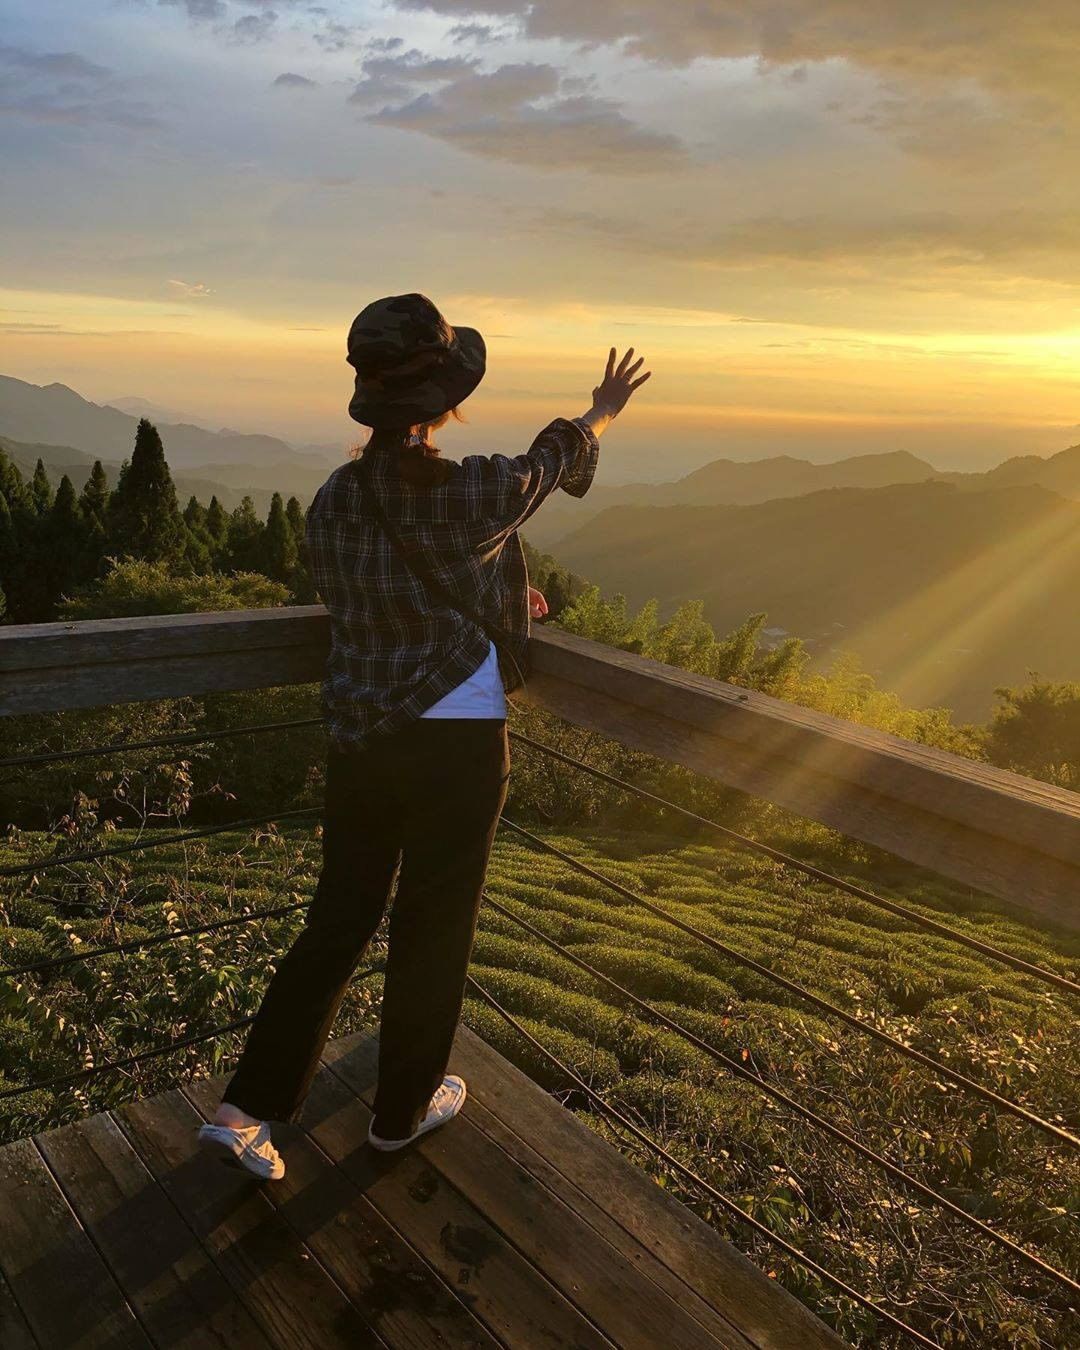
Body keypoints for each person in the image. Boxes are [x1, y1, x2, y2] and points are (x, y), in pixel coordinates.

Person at [197, 293, 650, 1180]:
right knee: (435, 921)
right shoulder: (468, 491)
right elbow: (547, 464)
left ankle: (241, 1109)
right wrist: (602, 408)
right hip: (455, 732)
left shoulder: (331, 499)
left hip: (360, 730)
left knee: (340, 915)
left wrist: (491, 595)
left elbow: (383, 595)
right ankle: (400, 1113)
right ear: (444, 400)